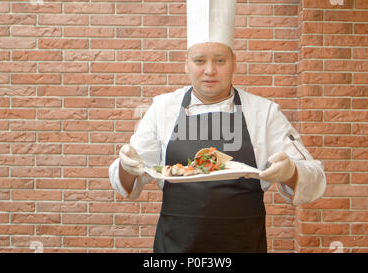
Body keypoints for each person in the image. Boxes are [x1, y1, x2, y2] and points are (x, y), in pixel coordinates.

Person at [109, 0, 326, 253]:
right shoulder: (163, 108)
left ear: (234, 62)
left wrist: (290, 171)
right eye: (200, 60)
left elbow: (315, 177)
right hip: (175, 247)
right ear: (187, 64)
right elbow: (127, 184)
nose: (209, 70)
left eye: (220, 60)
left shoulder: (263, 112)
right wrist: (127, 165)